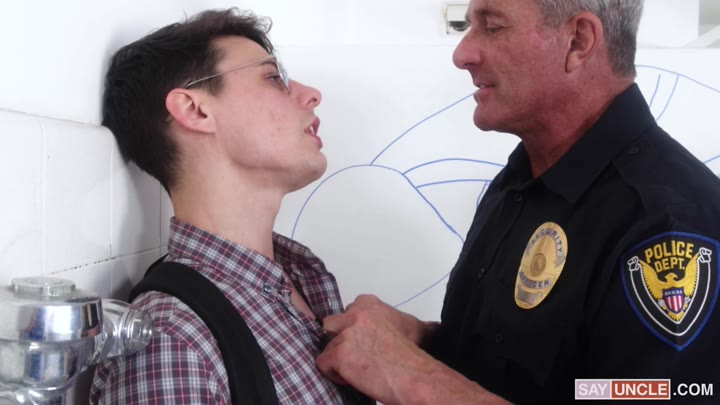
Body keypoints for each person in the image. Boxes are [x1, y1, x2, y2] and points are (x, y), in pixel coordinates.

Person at [316, 0, 720, 403]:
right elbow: (553, 380)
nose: (462, 54)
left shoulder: (666, 224)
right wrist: (419, 340)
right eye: (469, 27)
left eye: (493, 27)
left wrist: (412, 376)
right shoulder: (521, 180)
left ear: (578, 41)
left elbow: (626, 395)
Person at [90, 8, 370, 404]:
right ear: (195, 110)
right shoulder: (174, 341)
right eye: (273, 78)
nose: (312, 94)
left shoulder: (302, 279)